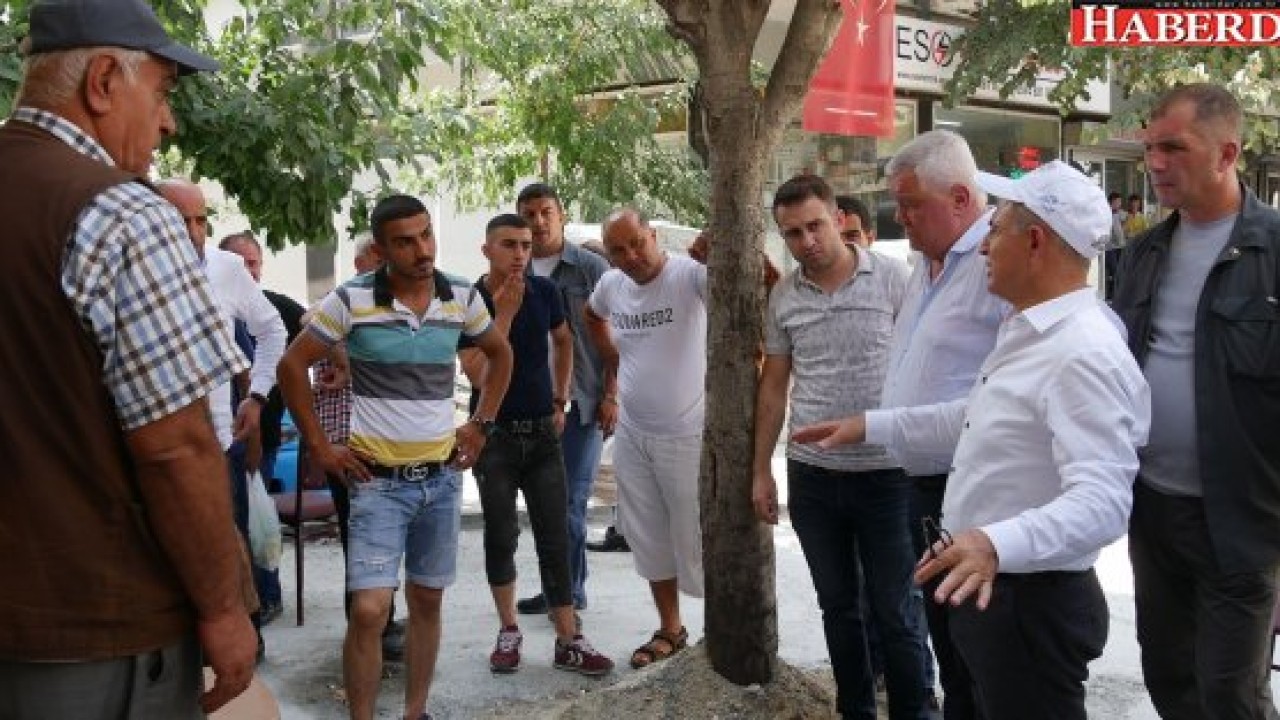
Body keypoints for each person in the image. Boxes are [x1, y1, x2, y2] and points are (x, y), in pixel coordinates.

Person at [795, 160, 1151, 720]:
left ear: (1035, 242)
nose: (984, 245)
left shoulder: (1082, 351)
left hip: (1029, 603)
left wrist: (993, 543)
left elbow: (1103, 503)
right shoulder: (1031, 331)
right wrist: (873, 425)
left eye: (996, 229)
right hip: (994, 591)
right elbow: (977, 417)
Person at [0, 0, 257, 716]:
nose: (167, 122)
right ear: (105, 81)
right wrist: (224, 609)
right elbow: (174, 446)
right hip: (94, 630)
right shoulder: (123, 212)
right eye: (163, 92)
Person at [278, 194, 513, 720]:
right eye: (405, 242)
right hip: (376, 483)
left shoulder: (461, 296)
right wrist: (319, 445)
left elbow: (500, 355)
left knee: (427, 600)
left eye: (426, 235)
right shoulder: (352, 299)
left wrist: (481, 425)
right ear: (382, 251)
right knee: (369, 609)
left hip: (441, 479)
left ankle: (415, 711)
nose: (422, 250)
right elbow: (292, 366)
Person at [1112, 83, 1280, 720]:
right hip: (1154, 512)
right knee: (1169, 678)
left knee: (1231, 697)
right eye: (1150, 148)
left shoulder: (1273, 251)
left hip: (1242, 522)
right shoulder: (1143, 253)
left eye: (1174, 148)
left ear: (1227, 153)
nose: (1155, 163)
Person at [751, 175, 924, 720]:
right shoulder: (783, 297)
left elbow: (924, 366)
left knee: (897, 609)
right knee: (838, 608)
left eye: (815, 226)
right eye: (792, 233)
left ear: (839, 220)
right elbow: (773, 388)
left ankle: (915, 710)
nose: (806, 241)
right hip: (814, 478)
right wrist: (761, 470)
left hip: (887, 474)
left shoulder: (893, 279)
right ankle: (856, 711)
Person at [876, 129, 1007, 720]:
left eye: (911, 204)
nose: (900, 218)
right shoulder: (929, 262)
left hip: (971, 490)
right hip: (923, 487)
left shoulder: (994, 261)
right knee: (950, 652)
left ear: (959, 198)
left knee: (978, 659)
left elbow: (1003, 394)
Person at [460, 213, 614, 676]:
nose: (520, 254)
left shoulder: (545, 292)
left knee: (556, 533)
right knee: (501, 534)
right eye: (509, 244)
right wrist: (504, 315)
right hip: (494, 435)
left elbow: (564, 341)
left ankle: (568, 637)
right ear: (486, 249)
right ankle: (509, 629)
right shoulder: (470, 300)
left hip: (543, 432)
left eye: (526, 246)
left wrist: (560, 399)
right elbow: (478, 373)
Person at [157, 180, 287, 659]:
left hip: (218, 438)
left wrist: (256, 396)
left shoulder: (226, 268)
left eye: (201, 220)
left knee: (230, 547)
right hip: (157, 438)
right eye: (182, 221)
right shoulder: (133, 270)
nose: (194, 231)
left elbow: (273, 330)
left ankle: (247, 646)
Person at [585, 207, 707, 669]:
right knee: (648, 536)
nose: (631, 256)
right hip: (634, 433)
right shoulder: (611, 285)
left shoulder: (689, 275)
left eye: (637, 243)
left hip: (688, 433)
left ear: (653, 236)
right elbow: (591, 314)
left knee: (696, 538)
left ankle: (722, 632)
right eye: (618, 250)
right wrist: (611, 357)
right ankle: (670, 629)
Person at [515, 183, 614, 615]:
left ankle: (568, 594)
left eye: (546, 213)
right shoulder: (515, 268)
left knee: (569, 503)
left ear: (562, 216)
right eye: (529, 214)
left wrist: (612, 395)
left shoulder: (590, 268)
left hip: (582, 403)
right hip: (530, 405)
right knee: (544, 505)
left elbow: (617, 338)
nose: (539, 222)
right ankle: (558, 588)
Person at [311, 232, 408, 661]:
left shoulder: (392, 307)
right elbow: (308, 320)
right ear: (361, 263)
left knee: (383, 534)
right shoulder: (342, 301)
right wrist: (341, 354)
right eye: (382, 259)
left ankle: (380, 619)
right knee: (362, 535)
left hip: (385, 442)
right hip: (347, 443)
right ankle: (370, 626)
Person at [221, 230, 307, 624]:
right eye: (239, 264)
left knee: (255, 516)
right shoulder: (214, 304)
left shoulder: (275, 306)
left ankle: (266, 596)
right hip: (220, 436)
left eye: (253, 263)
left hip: (264, 436)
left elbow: (314, 328)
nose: (247, 271)